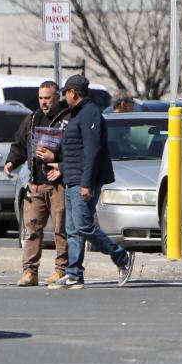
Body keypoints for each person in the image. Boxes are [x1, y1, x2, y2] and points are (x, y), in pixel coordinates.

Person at [48, 74, 134, 290]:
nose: (63, 97)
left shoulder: (90, 114)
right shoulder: (75, 114)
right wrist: (61, 167)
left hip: (84, 181)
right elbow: (74, 151)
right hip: (72, 178)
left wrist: (86, 183)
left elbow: (92, 151)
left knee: (84, 226)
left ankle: (121, 257)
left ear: (73, 93)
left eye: (65, 93)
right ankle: (74, 274)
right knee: (73, 229)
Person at [4, 80, 70, 287]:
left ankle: (61, 270)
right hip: (35, 183)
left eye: (48, 98)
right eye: (41, 98)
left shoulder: (67, 119)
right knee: (31, 228)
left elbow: (76, 149)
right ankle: (30, 272)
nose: (44, 102)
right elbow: (20, 145)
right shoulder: (32, 119)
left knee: (61, 229)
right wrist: (11, 161)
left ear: (57, 97)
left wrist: (57, 158)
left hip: (58, 183)